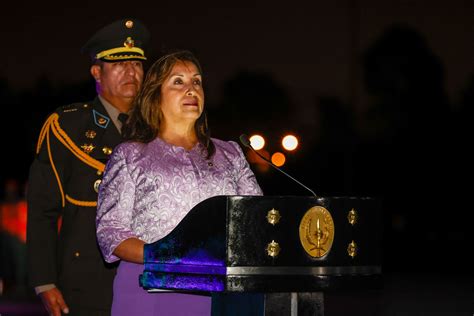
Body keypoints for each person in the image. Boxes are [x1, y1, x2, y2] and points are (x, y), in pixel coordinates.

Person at [96, 50, 263, 315]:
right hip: (151, 289)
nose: (191, 89)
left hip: (223, 292)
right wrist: (166, 255)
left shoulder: (230, 153)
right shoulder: (131, 154)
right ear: (155, 95)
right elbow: (110, 232)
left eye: (196, 82)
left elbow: (257, 218)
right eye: (178, 82)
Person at [26, 18, 150, 316]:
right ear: (97, 72)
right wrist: (44, 282)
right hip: (85, 279)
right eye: (119, 64)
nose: (130, 72)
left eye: (136, 64)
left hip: (144, 277)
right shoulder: (68, 126)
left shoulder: (156, 129)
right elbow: (43, 210)